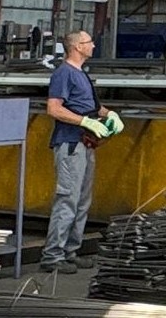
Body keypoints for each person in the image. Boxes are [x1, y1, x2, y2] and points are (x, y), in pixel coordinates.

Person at [42, 30, 124, 273]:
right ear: (78, 46)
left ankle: (70, 252)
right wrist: (84, 122)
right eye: (89, 42)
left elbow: (91, 106)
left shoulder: (80, 74)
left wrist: (108, 114)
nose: (93, 45)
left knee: (81, 202)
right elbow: (54, 108)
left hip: (84, 144)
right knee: (68, 199)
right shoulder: (64, 73)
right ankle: (52, 257)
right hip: (70, 144)